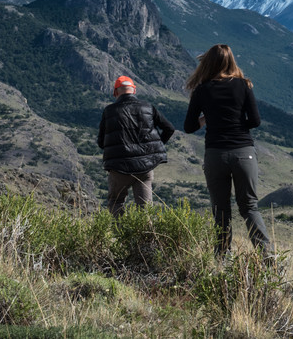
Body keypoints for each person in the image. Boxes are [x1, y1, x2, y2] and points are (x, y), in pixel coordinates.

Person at [184, 44, 273, 259]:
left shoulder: (202, 90)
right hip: (244, 152)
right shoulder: (244, 85)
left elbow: (189, 127)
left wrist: (209, 118)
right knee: (249, 207)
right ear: (231, 61)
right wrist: (234, 119)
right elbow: (255, 121)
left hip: (215, 153)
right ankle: (267, 257)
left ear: (208, 63)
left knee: (221, 210)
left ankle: (222, 260)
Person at [97, 76, 175, 216]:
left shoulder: (109, 111)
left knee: (116, 201)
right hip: (144, 168)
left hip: (118, 168)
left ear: (115, 92)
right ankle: (146, 237)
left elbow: (101, 142)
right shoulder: (148, 107)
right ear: (134, 90)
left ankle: (121, 236)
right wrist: (154, 148)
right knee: (145, 209)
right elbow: (169, 128)